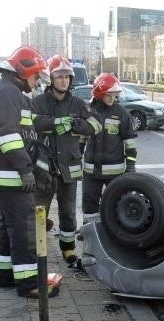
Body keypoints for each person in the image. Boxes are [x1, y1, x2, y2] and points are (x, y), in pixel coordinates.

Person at [0, 46, 59, 298]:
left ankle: (4, 274)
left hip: (4, 173)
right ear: (23, 71)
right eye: (36, 76)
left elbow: (25, 131)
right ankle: (29, 284)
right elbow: (7, 134)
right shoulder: (8, 93)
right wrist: (26, 170)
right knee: (24, 227)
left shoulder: (8, 91)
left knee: (8, 225)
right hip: (12, 174)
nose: (37, 82)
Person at [31, 55, 97, 264]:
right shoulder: (38, 102)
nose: (64, 81)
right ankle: (37, 250)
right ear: (50, 78)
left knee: (68, 211)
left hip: (69, 166)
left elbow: (95, 126)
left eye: (67, 77)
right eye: (59, 76)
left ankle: (68, 249)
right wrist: (55, 122)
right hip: (44, 167)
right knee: (39, 210)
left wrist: (74, 124)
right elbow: (31, 123)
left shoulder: (78, 103)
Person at [82, 72, 137, 221]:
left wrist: (130, 165)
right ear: (99, 93)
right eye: (109, 95)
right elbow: (80, 139)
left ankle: (115, 232)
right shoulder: (87, 111)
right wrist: (75, 160)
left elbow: (130, 142)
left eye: (115, 95)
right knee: (89, 206)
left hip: (115, 172)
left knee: (117, 205)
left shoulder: (121, 113)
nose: (113, 98)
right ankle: (89, 231)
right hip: (91, 171)